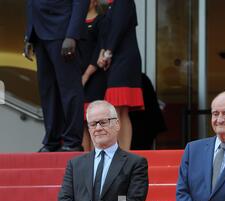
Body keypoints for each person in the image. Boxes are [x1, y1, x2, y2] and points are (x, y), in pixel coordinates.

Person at [24, 0, 89, 152]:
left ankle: (72, 141)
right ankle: (52, 141)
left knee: (69, 89)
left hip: (63, 31)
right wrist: (29, 34)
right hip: (39, 32)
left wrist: (72, 35)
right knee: (48, 91)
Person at [97, 0, 144, 151]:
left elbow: (118, 29)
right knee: (119, 110)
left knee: (118, 109)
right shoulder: (112, 5)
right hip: (119, 58)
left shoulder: (123, 2)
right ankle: (122, 151)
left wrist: (107, 52)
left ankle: (122, 152)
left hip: (123, 59)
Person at [80, 0, 107, 151]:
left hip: (95, 77)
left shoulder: (101, 20)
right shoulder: (76, 23)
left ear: (95, 2)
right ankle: (86, 158)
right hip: (78, 77)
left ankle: (97, 158)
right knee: (82, 122)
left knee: (95, 121)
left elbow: (100, 49)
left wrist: (86, 75)